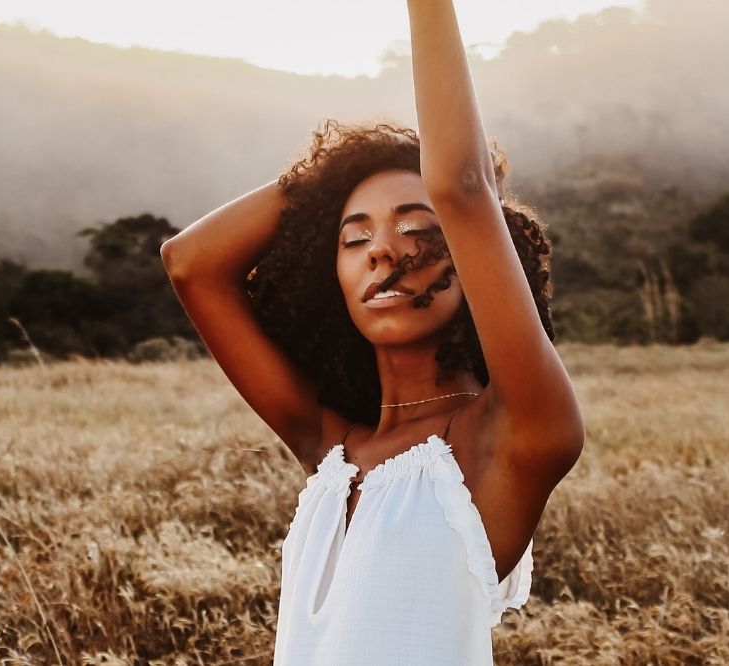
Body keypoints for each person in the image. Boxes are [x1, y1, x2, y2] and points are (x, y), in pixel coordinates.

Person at [160, 2, 584, 663]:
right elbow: (190, 263)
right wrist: (343, 171)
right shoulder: (332, 446)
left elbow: (463, 186)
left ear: (475, 259)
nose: (383, 251)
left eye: (418, 229)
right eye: (354, 237)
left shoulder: (508, 439)